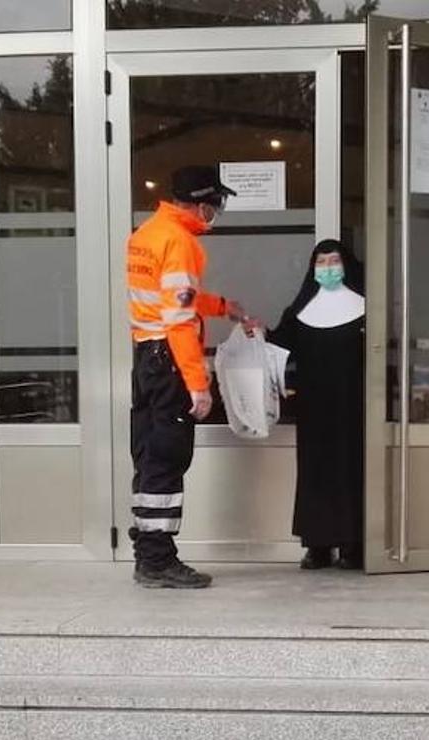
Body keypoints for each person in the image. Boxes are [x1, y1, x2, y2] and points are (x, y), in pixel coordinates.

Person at [127, 165, 251, 589]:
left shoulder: (147, 233)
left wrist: (220, 306)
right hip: (169, 359)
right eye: (215, 205)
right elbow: (178, 318)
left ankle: (148, 545)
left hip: (146, 354)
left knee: (148, 455)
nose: (215, 213)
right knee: (168, 456)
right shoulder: (180, 243)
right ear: (201, 204)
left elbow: (171, 296)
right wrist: (198, 385)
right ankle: (158, 560)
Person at [270, 239, 366, 570]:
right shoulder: (298, 311)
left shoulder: (367, 307)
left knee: (352, 471)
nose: (328, 268)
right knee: (315, 473)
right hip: (314, 409)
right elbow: (278, 346)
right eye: (321, 262)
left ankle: (354, 543)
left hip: (355, 406)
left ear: (347, 264)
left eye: (334, 260)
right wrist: (254, 334)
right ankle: (318, 545)